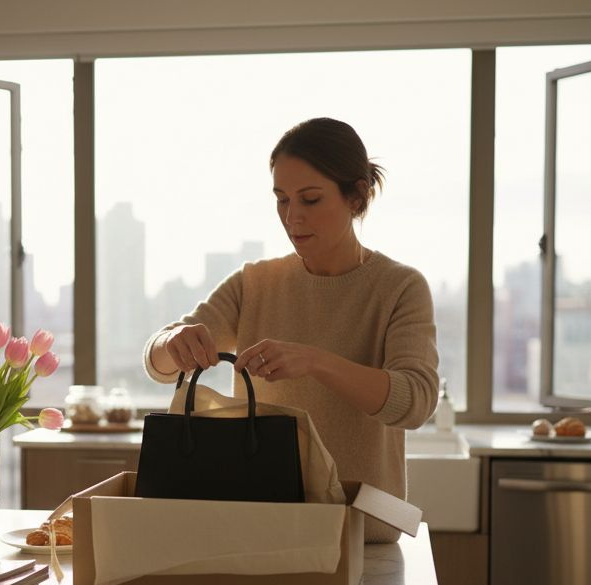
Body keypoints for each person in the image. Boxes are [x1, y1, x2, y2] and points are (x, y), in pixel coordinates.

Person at [142, 117, 439, 543]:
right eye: (282, 199)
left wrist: (316, 361)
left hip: (362, 534)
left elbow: (415, 403)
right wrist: (172, 342)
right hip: (262, 530)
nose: (292, 217)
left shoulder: (400, 287)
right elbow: (160, 363)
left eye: (311, 199)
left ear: (358, 196)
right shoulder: (255, 282)